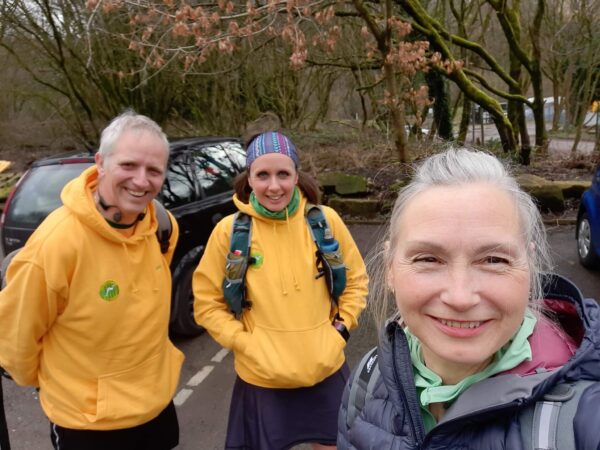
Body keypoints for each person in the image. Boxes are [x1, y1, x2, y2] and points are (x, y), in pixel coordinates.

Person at [338, 148, 600, 449]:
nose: (460, 297)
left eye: (493, 260)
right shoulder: (368, 379)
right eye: (429, 259)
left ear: (529, 267)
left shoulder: (586, 419)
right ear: (390, 270)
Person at [0, 110, 183, 450]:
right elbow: (14, 342)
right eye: (128, 165)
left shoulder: (162, 225)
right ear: (101, 163)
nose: (141, 181)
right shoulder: (56, 243)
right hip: (88, 425)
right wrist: (58, 384)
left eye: (153, 170)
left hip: (157, 407)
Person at [193, 130, 369, 449]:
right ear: (249, 179)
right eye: (263, 175)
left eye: (283, 174)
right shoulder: (230, 232)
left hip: (325, 367)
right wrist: (244, 343)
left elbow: (356, 282)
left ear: (296, 176)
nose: (274, 186)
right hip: (261, 376)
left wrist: (339, 331)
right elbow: (207, 303)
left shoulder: (325, 222)